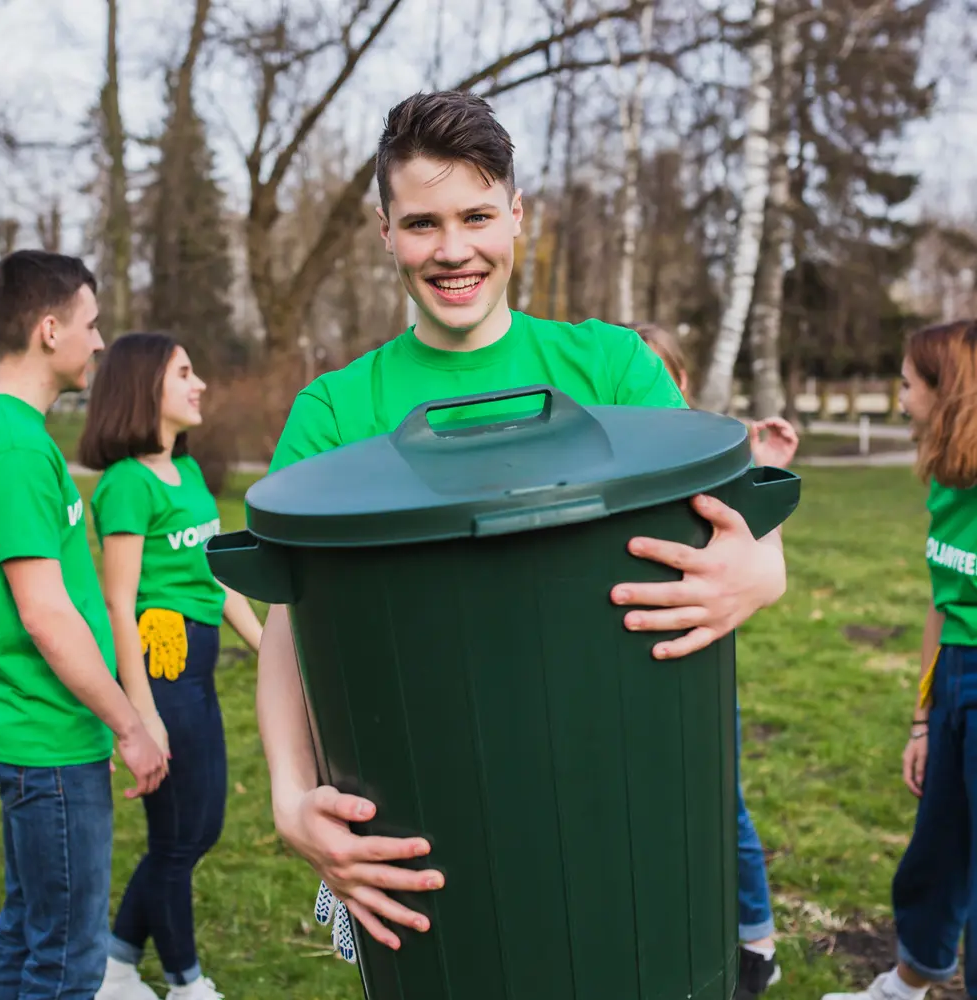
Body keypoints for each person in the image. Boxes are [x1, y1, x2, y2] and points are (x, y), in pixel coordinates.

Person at [257, 90, 789, 953]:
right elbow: (291, 614)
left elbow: (731, 527)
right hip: (426, 808)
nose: (454, 250)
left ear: (517, 215)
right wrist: (290, 798)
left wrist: (765, 570)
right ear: (385, 231)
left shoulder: (612, 366)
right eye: (423, 223)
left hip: (616, 783)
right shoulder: (335, 412)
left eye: (476, 216)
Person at [0, 251, 167, 1000]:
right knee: (66, 959)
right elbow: (46, 614)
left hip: (30, 729)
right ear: (49, 329)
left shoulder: (3, 431)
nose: (98, 342)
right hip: (50, 739)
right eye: (90, 325)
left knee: (28, 927)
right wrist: (128, 725)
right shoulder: (16, 446)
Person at [78, 333, 264, 1000]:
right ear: (145, 386)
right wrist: (143, 713)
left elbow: (218, 578)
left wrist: (265, 644)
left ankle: (118, 961)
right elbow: (116, 603)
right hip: (160, 671)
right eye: (185, 372)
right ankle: (185, 981)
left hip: (200, 673)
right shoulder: (126, 485)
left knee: (199, 826)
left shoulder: (184, 474)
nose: (200, 383)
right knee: (179, 836)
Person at [636, 322, 799, 998]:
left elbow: (757, 542)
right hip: (631, 659)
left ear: (678, 386)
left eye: (655, 377)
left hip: (699, 661)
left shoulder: (698, 463)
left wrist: (765, 462)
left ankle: (756, 938)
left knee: (719, 800)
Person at [823, 319, 977, 1000]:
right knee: (936, 855)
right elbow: (941, 606)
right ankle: (905, 985)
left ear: (949, 394)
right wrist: (922, 721)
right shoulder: (948, 481)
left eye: (909, 383)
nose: (899, 395)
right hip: (954, 676)